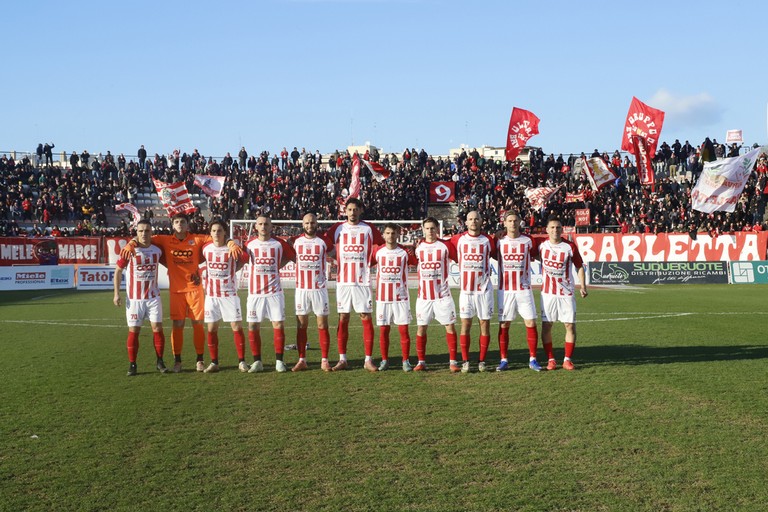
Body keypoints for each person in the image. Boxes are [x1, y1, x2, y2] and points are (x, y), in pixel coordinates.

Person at [121, 213, 242, 373]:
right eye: (176, 222)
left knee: (198, 324)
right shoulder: (164, 240)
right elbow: (143, 237)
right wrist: (131, 243)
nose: (180, 224)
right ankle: (177, 361)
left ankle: (200, 359)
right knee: (177, 325)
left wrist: (231, 242)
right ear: (173, 225)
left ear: (187, 224)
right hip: (176, 290)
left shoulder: (197, 239)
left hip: (195, 289)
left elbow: (217, 236)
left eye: (183, 222)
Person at [325, 198, 385, 371]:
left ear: (360, 210)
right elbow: (324, 244)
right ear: (345, 211)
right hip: (343, 282)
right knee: (343, 317)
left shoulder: (369, 228)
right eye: (349, 209)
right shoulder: (337, 228)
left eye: (355, 209)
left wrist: (369, 262)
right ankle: (342, 359)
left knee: (365, 317)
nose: (352, 212)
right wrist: (337, 258)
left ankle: (368, 360)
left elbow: (382, 247)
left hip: (362, 281)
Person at [113, 220, 167, 376]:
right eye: (141, 231)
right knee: (134, 331)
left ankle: (160, 361)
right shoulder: (129, 250)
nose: (144, 233)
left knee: (157, 329)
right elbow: (117, 271)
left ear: (151, 233)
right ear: (136, 233)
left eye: (147, 230)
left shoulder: (158, 250)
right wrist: (116, 293)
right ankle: (132, 364)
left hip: (153, 298)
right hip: (134, 299)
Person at [244, 215, 296, 373]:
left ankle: (279, 361)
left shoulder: (279, 243)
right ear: (256, 227)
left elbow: (291, 256)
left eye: (266, 224)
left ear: (271, 226)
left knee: (278, 324)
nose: (263, 226)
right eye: (260, 224)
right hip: (255, 293)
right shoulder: (249, 245)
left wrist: (278, 266)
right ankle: (257, 361)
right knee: (253, 325)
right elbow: (241, 259)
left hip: (274, 292)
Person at [199, 219, 249, 373]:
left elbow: (245, 259)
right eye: (213, 231)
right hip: (212, 296)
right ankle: (214, 362)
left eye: (219, 230)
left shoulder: (232, 248)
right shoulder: (206, 248)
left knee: (236, 327)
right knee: (212, 328)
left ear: (225, 232)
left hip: (229, 295)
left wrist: (231, 244)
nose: (216, 233)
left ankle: (241, 361)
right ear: (210, 233)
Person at [539, 215, 588, 371]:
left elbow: (579, 266)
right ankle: (551, 359)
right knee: (547, 326)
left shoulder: (570, 247)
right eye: (552, 227)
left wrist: (583, 286)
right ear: (547, 230)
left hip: (566, 293)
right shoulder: (540, 245)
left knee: (569, 326)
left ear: (562, 230)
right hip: (547, 293)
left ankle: (567, 359)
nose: (555, 230)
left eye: (558, 227)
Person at [450, 210, 496, 373]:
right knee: (466, 325)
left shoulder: (488, 240)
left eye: (476, 218)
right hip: (466, 291)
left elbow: (499, 253)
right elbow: (442, 245)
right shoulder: (458, 239)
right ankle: (465, 361)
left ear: (481, 221)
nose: (473, 221)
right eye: (470, 219)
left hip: (484, 290)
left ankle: (482, 361)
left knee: (484, 324)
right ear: (466, 222)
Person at [495, 211, 542, 372]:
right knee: (504, 324)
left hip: (524, 290)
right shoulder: (498, 241)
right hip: (505, 291)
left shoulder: (528, 241)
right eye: (509, 221)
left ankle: (533, 359)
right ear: (505, 223)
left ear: (520, 222)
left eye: (515, 220)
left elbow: (537, 254)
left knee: (530, 322)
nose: (512, 223)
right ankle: (503, 360)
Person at [413, 217, 460, 372]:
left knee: (450, 327)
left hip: (443, 296)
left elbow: (460, 259)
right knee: (421, 328)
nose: (430, 231)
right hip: (424, 297)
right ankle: (421, 362)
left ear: (437, 229)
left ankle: (453, 362)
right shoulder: (418, 247)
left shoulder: (445, 246)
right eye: (427, 228)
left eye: (432, 228)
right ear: (423, 229)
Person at [370, 223, 417, 371]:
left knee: (403, 330)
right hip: (383, 298)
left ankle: (405, 361)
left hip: (401, 298)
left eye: (393, 233)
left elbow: (418, 263)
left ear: (398, 235)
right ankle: (384, 360)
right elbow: (365, 264)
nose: (391, 236)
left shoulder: (404, 252)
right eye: (388, 233)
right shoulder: (377, 251)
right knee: (384, 331)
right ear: (384, 235)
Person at [289, 213, 333, 372]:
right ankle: (302, 360)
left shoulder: (324, 241)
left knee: (322, 324)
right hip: (301, 289)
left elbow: (336, 255)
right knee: (301, 325)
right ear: (303, 224)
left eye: (312, 222)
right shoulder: (295, 242)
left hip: (319, 289)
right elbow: (290, 257)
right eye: (307, 223)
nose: (310, 225)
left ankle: (324, 360)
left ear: (317, 223)